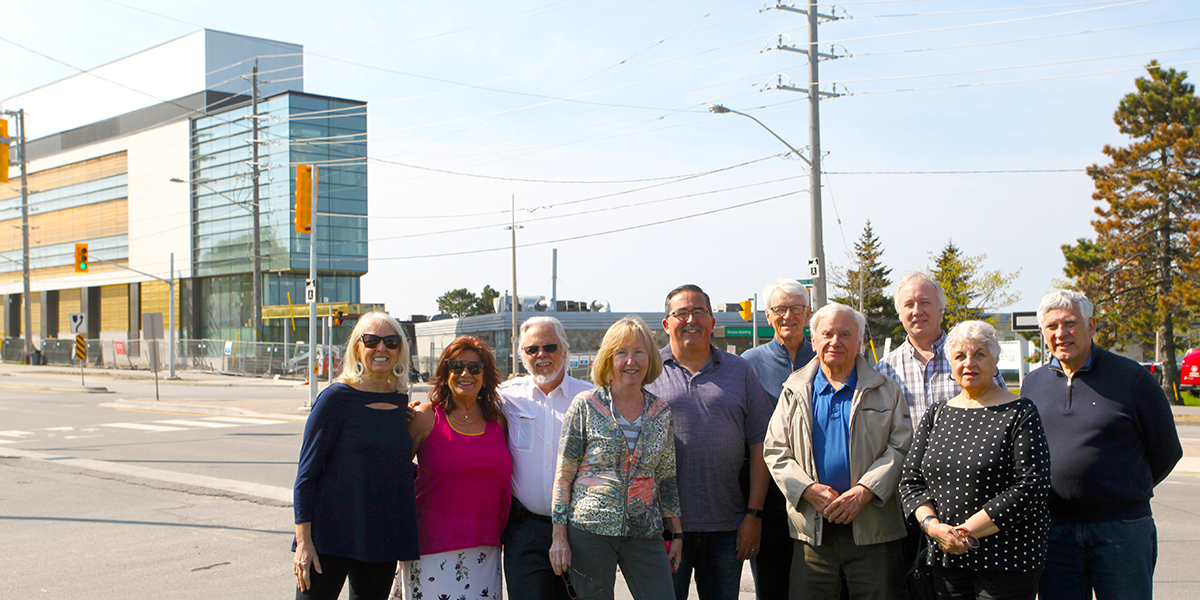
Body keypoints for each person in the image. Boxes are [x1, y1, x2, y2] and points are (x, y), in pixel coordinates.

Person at [1021, 290, 1183, 600]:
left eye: (1070, 323)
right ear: (1042, 332)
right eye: (1051, 326)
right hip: (1054, 531)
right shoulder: (1033, 383)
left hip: (1121, 530)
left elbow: (1167, 451)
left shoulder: (1132, 379)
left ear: (1092, 326)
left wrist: (1120, 489)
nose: (1061, 333)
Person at [763, 302, 911, 600]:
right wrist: (808, 490)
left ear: (858, 341)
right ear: (814, 340)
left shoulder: (886, 389)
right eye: (827, 333)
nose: (835, 341)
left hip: (873, 531)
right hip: (813, 533)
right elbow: (775, 449)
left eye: (845, 334)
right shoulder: (794, 389)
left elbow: (901, 446)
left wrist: (865, 491)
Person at [900, 320, 1051, 600]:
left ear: (995, 360)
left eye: (979, 354)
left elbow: (1031, 485)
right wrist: (934, 528)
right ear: (950, 364)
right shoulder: (937, 414)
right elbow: (911, 480)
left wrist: (965, 532)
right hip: (945, 558)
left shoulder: (1020, 412)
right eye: (960, 356)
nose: (969, 363)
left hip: (1007, 561)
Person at [644, 284, 774, 600]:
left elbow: (761, 444)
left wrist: (753, 516)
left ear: (712, 322)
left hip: (726, 526)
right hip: (661, 526)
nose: (691, 319)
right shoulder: (648, 372)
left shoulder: (740, 371)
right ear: (666, 324)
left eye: (699, 312)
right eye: (681, 313)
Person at [549, 315, 683, 600]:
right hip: (589, 531)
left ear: (650, 359)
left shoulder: (661, 412)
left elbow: (667, 475)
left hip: (644, 531)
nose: (630, 361)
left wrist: (677, 533)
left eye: (639, 352)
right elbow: (564, 474)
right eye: (621, 352)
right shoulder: (586, 405)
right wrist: (559, 536)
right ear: (608, 359)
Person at [293, 312, 419, 600]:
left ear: (401, 349)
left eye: (390, 341)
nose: (381, 349)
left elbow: (393, 466)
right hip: (329, 537)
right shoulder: (335, 398)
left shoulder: (400, 402)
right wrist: (303, 542)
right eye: (372, 340)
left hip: (380, 537)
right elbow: (306, 476)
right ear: (357, 348)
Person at [392, 336, 513, 600]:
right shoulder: (425, 416)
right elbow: (392, 472)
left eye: (474, 367)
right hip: (431, 548)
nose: (465, 373)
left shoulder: (498, 421)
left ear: (486, 375)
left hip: (486, 550)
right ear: (445, 373)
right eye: (456, 367)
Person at [499, 316, 593, 600]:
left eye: (549, 347)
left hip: (581, 531)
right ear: (522, 357)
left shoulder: (590, 397)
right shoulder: (505, 397)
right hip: (525, 531)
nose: (541, 355)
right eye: (532, 349)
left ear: (564, 351)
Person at [741, 278, 816, 600]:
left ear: (808, 313)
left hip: (818, 488)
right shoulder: (749, 363)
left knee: (818, 582)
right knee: (772, 583)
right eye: (780, 309)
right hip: (768, 491)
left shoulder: (825, 355)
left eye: (796, 309)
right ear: (768, 316)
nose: (788, 316)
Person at [877, 271, 1004, 426]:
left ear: (940, 309)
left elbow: (1002, 409)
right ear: (899, 314)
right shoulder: (886, 369)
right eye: (909, 304)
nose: (917, 311)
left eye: (925, 302)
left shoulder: (974, 360)